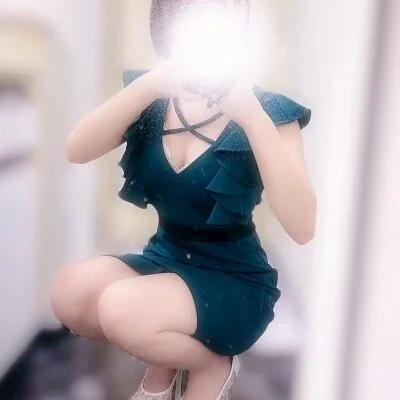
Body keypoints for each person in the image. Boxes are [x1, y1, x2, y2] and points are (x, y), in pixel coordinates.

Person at [50, 0, 316, 399]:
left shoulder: (270, 110)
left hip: (232, 277)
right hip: (166, 258)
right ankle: (171, 350)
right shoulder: (154, 97)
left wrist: (252, 118)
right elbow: (77, 149)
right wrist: (151, 85)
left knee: (121, 309)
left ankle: (209, 364)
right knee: (70, 292)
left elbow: (303, 227)